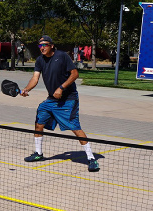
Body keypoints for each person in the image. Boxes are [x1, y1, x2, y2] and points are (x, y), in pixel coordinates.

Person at [19, 35, 99, 172]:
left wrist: (61, 88)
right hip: (51, 100)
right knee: (39, 123)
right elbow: (35, 78)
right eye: (40, 46)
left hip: (68, 99)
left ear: (51, 46)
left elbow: (75, 74)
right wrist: (26, 89)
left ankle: (91, 159)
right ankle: (38, 153)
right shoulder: (40, 60)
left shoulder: (62, 56)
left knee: (75, 127)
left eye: (44, 45)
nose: (42, 48)